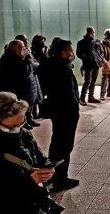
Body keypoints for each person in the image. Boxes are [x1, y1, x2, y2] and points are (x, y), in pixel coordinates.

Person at [0, 92, 61, 213]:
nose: (18, 128)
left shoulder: (24, 134)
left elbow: (38, 155)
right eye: (13, 126)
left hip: (29, 202)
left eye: (22, 122)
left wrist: (47, 165)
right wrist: (28, 181)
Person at [43, 39, 80, 191]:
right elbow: (68, 93)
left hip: (58, 110)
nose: (72, 52)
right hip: (66, 112)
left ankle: (52, 175)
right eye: (69, 50)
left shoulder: (51, 64)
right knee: (64, 145)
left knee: (57, 142)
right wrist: (75, 110)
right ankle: (60, 179)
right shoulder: (62, 69)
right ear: (62, 52)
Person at [0, 39, 42, 130]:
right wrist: (26, 60)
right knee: (9, 111)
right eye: (22, 48)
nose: (24, 49)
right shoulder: (10, 59)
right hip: (7, 91)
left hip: (12, 90)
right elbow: (24, 72)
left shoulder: (14, 58)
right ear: (15, 49)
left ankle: (20, 124)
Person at [76, 26, 104, 105]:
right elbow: (78, 53)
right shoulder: (81, 42)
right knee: (87, 81)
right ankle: (82, 98)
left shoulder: (97, 41)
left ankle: (91, 97)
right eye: (91, 32)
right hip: (88, 65)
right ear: (87, 32)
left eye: (93, 32)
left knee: (93, 81)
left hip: (96, 64)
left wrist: (100, 59)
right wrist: (87, 58)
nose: (92, 34)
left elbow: (102, 52)